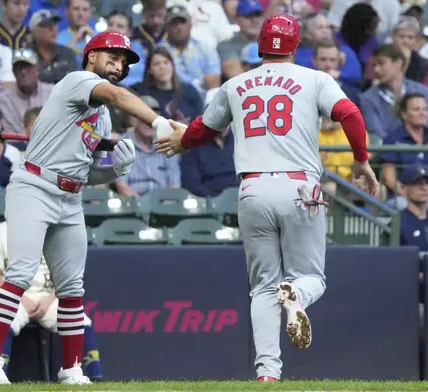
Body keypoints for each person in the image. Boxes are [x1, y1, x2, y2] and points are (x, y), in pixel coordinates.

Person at [155, 13, 378, 381]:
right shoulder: (314, 79)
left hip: (252, 188)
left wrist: (182, 139)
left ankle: (267, 373)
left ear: (261, 44)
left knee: (262, 287)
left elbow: (204, 129)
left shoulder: (236, 84)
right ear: (295, 46)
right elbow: (350, 114)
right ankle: (298, 297)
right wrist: (361, 160)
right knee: (311, 279)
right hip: (299, 186)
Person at [0, 30, 177, 386]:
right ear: (91, 56)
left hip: (70, 195)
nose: (118, 66)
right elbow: (116, 94)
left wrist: (115, 170)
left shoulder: (103, 119)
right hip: (34, 185)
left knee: (72, 288)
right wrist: (157, 121)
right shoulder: (76, 80)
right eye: (111, 57)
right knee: (19, 273)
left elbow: (86, 172)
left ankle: (71, 369)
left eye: (124, 62)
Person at [0, 220, 103, 380]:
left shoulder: (54, 231)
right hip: (16, 297)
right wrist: (20, 298)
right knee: (5, 322)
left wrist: (51, 297)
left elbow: (66, 273)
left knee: (80, 323)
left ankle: (98, 379)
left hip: (49, 297)